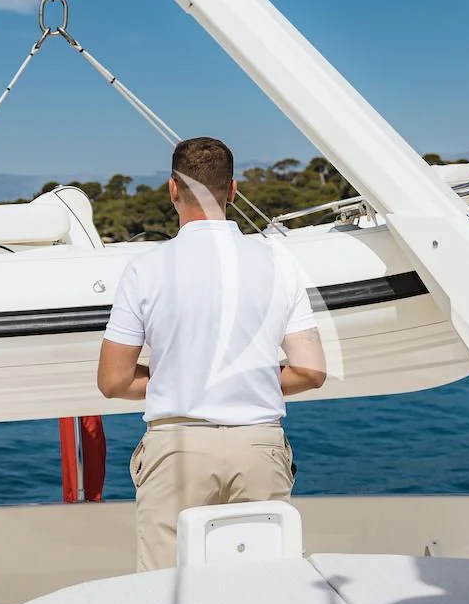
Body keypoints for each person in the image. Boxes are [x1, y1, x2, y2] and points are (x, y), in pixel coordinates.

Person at [97, 136, 327, 570]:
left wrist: (183, 379)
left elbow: (113, 381)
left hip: (176, 449)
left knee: (167, 599)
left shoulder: (145, 269)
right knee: (265, 592)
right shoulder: (280, 265)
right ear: (233, 190)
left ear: (172, 190)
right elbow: (311, 371)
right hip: (259, 445)